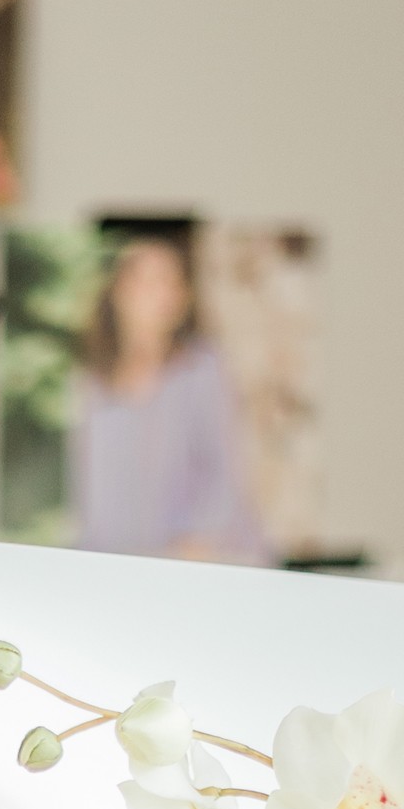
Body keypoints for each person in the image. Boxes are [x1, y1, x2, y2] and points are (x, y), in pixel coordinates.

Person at [74, 234, 272, 565]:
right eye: (147, 280)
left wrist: (196, 543)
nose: (160, 293)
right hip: (122, 565)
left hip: (202, 564)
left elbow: (225, 472)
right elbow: (92, 490)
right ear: (119, 291)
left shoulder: (202, 369)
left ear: (183, 299)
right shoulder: (93, 383)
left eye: (171, 282)